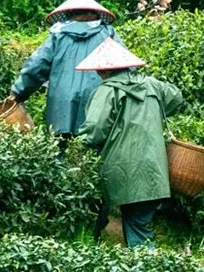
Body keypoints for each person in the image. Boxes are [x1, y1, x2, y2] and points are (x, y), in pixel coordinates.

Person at [76, 37, 183, 248]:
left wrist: (77, 148)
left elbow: (95, 131)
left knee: (128, 224)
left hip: (121, 168)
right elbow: (176, 98)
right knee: (139, 220)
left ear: (105, 70)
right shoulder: (152, 85)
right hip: (154, 167)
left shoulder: (106, 92)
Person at [8, 0, 123, 142]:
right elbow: (126, 65)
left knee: (61, 151)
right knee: (96, 150)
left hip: (61, 103)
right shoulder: (108, 33)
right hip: (98, 100)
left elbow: (36, 66)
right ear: (96, 14)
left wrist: (17, 93)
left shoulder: (58, 35)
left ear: (70, 14)